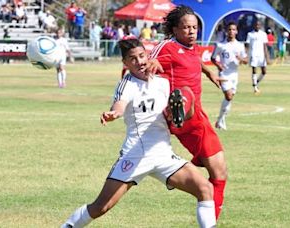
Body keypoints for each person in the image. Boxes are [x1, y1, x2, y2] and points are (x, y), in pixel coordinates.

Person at [61, 38, 216, 228]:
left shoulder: (163, 82)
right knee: (101, 206)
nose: (139, 62)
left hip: (163, 155)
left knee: (205, 189)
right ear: (125, 63)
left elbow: (182, 107)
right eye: (132, 59)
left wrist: (183, 108)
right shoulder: (126, 85)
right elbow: (119, 105)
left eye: (142, 56)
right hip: (136, 155)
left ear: (147, 55)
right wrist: (114, 113)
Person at [150, 5, 227, 220]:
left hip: (198, 117)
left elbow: (194, 61)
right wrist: (153, 64)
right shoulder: (166, 47)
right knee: (184, 94)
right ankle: (177, 112)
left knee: (216, 171)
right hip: (180, 115)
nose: (192, 31)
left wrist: (209, 72)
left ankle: (211, 219)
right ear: (175, 30)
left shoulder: (194, 48)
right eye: (186, 28)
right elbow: (150, 62)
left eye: (194, 27)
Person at [211, 22, 248, 130]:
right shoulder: (220, 45)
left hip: (234, 74)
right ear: (226, 31)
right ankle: (221, 120)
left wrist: (241, 59)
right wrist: (219, 65)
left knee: (229, 98)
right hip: (224, 74)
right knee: (229, 96)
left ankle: (220, 120)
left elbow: (246, 60)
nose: (231, 32)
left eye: (233, 30)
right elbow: (213, 58)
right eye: (229, 30)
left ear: (236, 31)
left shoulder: (240, 45)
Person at [245, 20, 270, 94]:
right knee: (254, 70)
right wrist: (245, 55)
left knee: (264, 71)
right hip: (253, 54)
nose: (257, 26)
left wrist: (267, 56)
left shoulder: (263, 34)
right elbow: (247, 45)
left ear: (260, 26)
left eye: (258, 25)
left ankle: (256, 82)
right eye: (256, 25)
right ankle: (255, 88)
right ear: (254, 25)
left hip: (261, 55)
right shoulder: (250, 34)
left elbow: (265, 46)